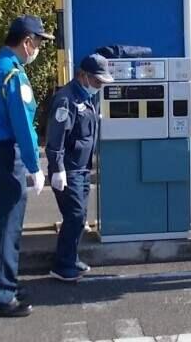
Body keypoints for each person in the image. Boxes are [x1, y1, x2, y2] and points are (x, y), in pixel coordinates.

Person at [0, 14, 53, 317]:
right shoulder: (12, 74)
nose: (38, 51)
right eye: (39, 44)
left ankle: (1, 284)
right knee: (6, 228)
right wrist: (35, 166)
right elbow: (22, 123)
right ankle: (0, 298)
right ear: (27, 42)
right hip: (5, 156)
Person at [45, 53, 113, 282]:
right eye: (97, 81)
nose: (99, 86)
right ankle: (62, 265)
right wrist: (57, 168)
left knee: (79, 216)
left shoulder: (86, 98)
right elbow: (56, 137)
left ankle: (71, 258)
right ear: (82, 76)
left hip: (82, 168)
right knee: (74, 215)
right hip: (69, 169)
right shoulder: (67, 99)